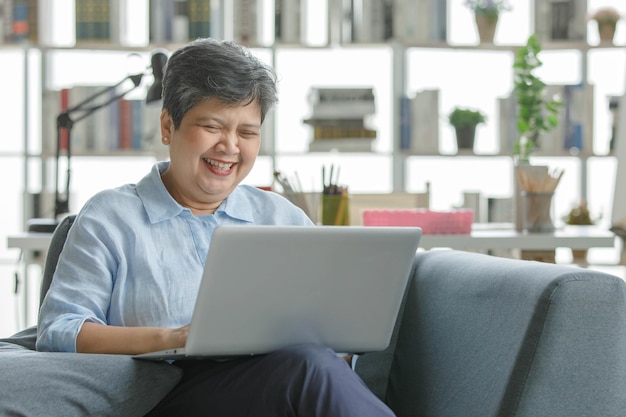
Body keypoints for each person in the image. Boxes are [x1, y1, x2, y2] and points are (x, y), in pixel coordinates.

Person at [36, 38, 396, 417]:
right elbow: (61, 329)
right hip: (158, 397)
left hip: (272, 387)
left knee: (313, 364)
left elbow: (332, 324)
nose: (229, 146)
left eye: (247, 132)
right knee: (311, 370)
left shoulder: (280, 218)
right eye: (212, 126)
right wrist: (174, 338)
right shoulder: (112, 216)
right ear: (167, 126)